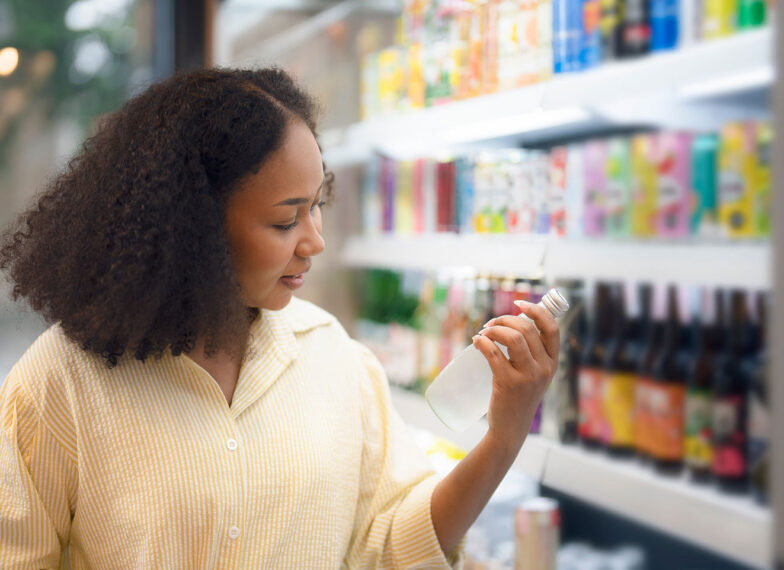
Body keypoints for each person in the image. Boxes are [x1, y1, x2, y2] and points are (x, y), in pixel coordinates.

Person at [0, 68, 560, 568]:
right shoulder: (61, 383)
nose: (314, 241)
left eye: (315, 205)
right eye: (285, 221)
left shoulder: (334, 358)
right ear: (194, 231)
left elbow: (392, 547)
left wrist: (503, 437)